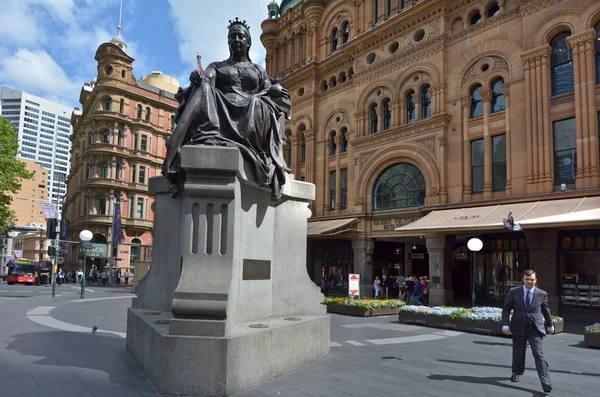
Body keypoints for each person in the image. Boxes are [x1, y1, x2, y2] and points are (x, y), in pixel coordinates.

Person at [163, 17, 291, 201]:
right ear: (228, 41)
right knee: (204, 87)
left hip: (253, 112)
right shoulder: (217, 66)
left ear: (248, 42)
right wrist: (197, 80)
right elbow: (207, 79)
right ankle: (183, 140)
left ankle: (198, 139)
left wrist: (277, 91)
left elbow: (269, 89)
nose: (236, 40)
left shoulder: (258, 70)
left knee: (256, 101)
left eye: (240, 36)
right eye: (232, 37)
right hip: (220, 109)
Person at [502, 269, 554, 393]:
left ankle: (545, 382)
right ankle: (516, 372)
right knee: (518, 352)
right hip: (518, 326)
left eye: (532, 279)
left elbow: (546, 310)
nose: (529, 281)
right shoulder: (514, 292)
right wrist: (505, 324)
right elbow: (506, 309)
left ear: (535, 280)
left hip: (535, 328)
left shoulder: (542, 294)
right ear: (523, 279)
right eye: (527, 279)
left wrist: (550, 325)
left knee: (538, 354)